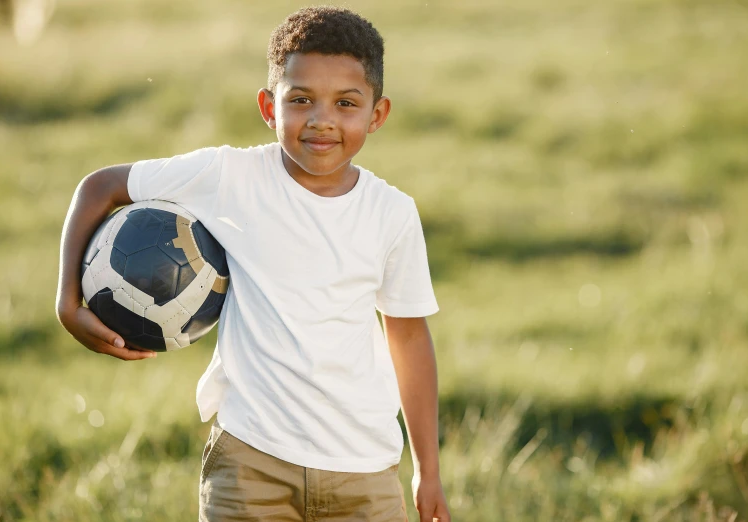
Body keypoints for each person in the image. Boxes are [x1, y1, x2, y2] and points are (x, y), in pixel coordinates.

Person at [55, 6, 451, 522]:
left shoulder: (391, 213)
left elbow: (409, 337)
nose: (321, 118)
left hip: (364, 471)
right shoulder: (230, 176)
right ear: (269, 106)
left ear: (377, 114)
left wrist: (428, 469)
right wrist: (68, 302)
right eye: (301, 99)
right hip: (249, 463)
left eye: (346, 103)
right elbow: (100, 187)